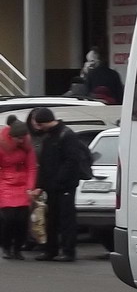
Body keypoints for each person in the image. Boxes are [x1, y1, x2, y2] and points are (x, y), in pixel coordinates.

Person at [29, 107, 87, 262]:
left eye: (38, 124)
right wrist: (40, 185)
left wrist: (58, 180)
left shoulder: (66, 135)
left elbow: (71, 161)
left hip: (65, 186)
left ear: (44, 122)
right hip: (51, 186)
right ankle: (50, 250)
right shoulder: (49, 136)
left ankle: (68, 251)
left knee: (66, 219)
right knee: (51, 219)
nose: (37, 128)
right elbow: (44, 163)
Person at [0, 116, 36, 260]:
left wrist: (30, 187)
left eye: (23, 138)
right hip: (5, 184)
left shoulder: (27, 147)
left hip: (22, 186)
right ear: (11, 136)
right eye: (18, 138)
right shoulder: (2, 146)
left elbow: (32, 168)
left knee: (22, 220)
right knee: (9, 219)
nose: (21, 141)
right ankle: (6, 246)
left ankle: (18, 247)